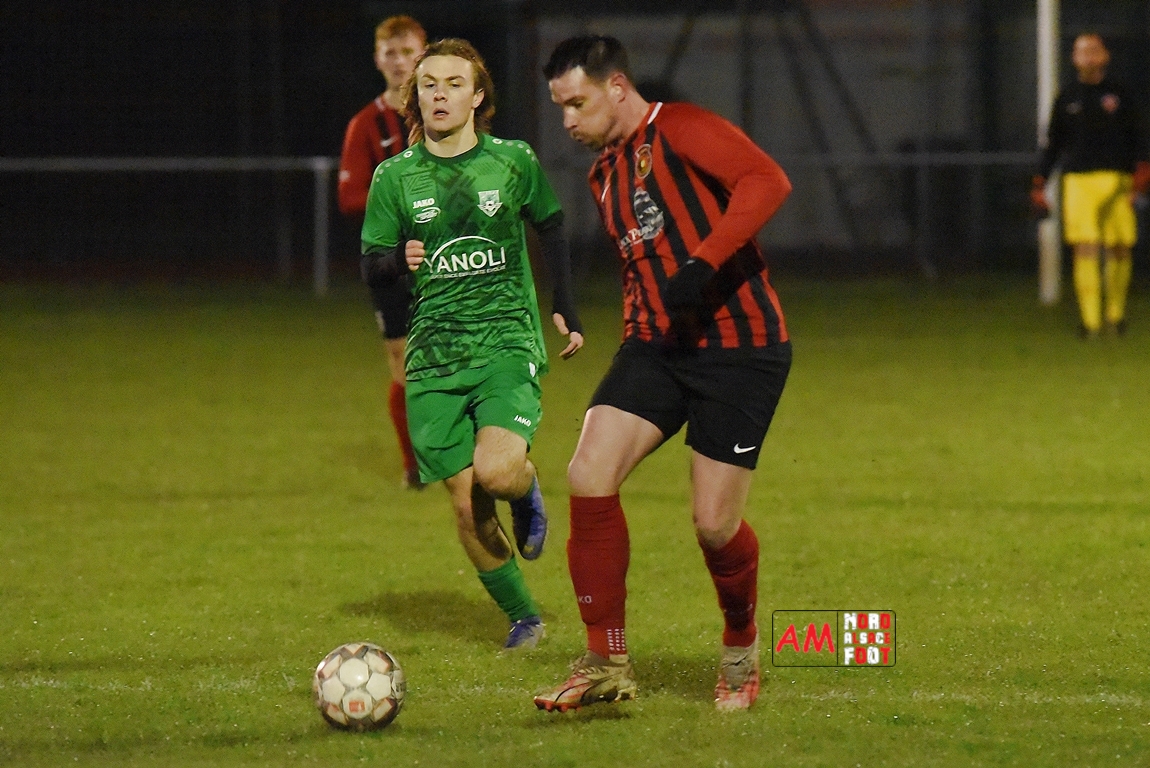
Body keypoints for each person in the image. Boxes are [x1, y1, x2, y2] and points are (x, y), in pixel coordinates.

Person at [535, 35, 792, 712]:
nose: (567, 121)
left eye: (577, 103)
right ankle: (606, 660)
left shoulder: (680, 127)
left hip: (738, 348)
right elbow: (642, 266)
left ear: (617, 86)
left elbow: (767, 181)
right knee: (588, 473)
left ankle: (740, 647)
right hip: (656, 349)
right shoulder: (603, 175)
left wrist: (704, 262)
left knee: (713, 525)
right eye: (560, 107)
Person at [361, 38, 585, 651]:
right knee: (467, 506)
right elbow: (372, 265)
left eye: (454, 84)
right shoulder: (395, 177)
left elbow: (551, 223)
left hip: (505, 340)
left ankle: (525, 486)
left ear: (478, 96)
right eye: (429, 84)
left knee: (497, 470)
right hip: (433, 357)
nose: (439, 94)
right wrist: (397, 261)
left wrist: (565, 304)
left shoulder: (511, 161)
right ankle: (524, 618)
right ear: (415, 97)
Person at [338, 15, 427, 488]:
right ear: (377, 59)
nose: (399, 61)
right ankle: (415, 466)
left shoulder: (442, 113)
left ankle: (464, 449)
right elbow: (349, 197)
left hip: (443, 255)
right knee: (402, 362)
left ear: (423, 55)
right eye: (390, 53)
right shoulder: (365, 124)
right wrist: (399, 197)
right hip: (388, 259)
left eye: (407, 51)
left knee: (456, 354)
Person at [1032, 32, 1150, 338]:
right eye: (1081, 51)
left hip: (1118, 180)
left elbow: (1139, 135)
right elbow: (1053, 143)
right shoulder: (1067, 97)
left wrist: (1142, 170)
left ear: (1105, 56)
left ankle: (1116, 314)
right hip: (1079, 182)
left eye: (1093, 50)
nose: (1087, 56)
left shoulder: (1120, 94)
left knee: (1119, 247)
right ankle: (1090, 321)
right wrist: (1040, 182)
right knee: (1085, 246)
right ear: (1074, 59)